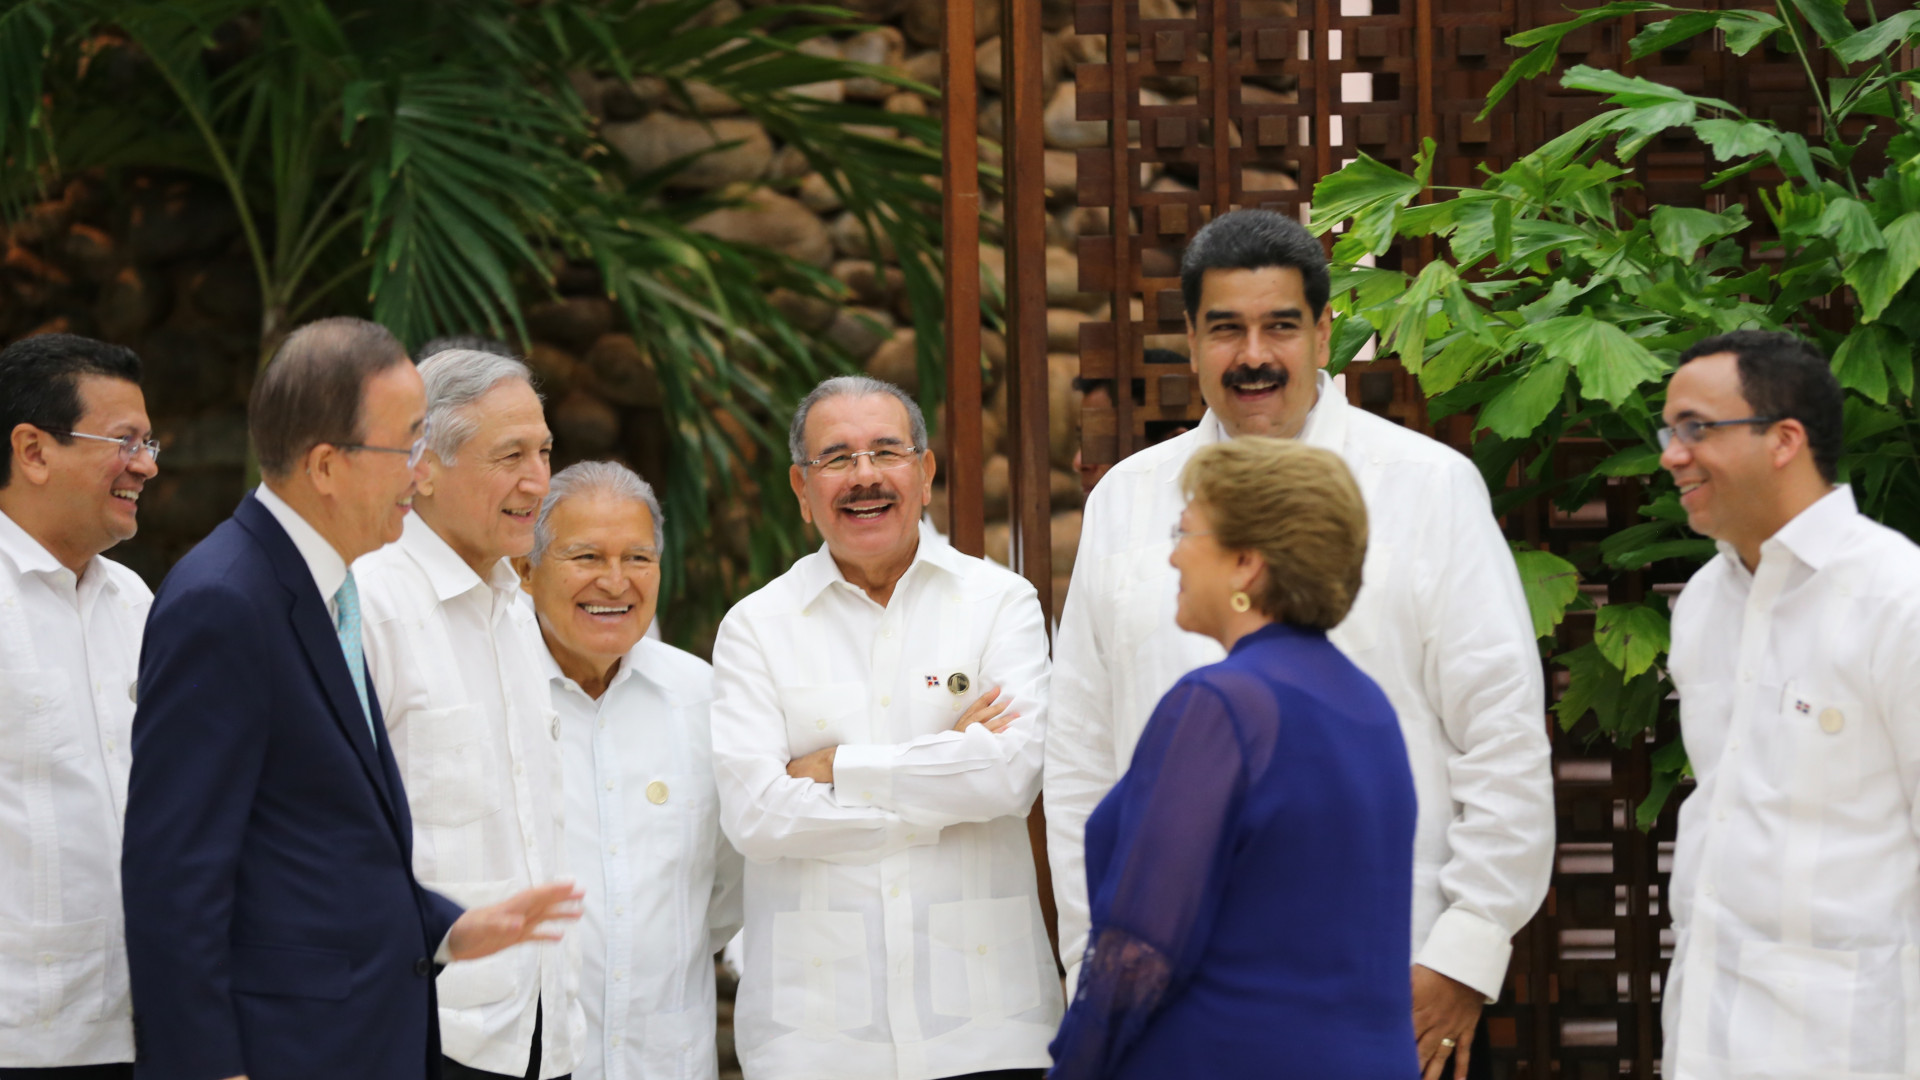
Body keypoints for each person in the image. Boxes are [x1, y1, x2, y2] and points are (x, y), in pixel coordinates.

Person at [1046, 208, 1554, 1080]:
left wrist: (1464, 951)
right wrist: (1095, 970)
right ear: (1191, 342)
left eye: (1280, 326)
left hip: (1379, 984)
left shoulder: (1429, 487)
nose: (1255, 356)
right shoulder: (1125, 500)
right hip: (1162, 1008)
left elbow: (1501, 733)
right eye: (1225, 330)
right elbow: (1080, 757)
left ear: (1323, 334)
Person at [122, 317, 580, 1080]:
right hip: (287, 1045)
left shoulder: (324, 588)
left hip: (373, 1030)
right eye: (406, 447)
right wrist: (207, 1066)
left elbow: (324, 831)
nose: (417, 472)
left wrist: (448, 928)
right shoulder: (225, 599)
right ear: (327, 466)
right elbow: (175, 874)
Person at [710, 375, 1062, 1080]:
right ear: (802, 488)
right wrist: (947, 769)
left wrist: (836, 768)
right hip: (816, 1037)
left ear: (925, 473)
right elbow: (757, 817)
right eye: (836, 458)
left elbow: (1008, 777)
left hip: (988, 1026)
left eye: (886, 451)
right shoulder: (755, 628)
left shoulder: (1001, 603)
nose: (863, 476)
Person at [1049, 437, 1417, 1078]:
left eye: (1186, 533)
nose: (1173, 555)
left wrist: (1075, 1065)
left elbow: (1141, 946)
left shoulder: (1219, 705)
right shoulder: (1368, 704)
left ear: (1246, 563)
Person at [1658, 330, 1920, 1078]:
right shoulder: (1704, 601)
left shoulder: (1897, 597)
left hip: (1854, 1043)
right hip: (1705, 1030)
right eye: (1668, 432)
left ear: (1784, 440)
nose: (1672, 456)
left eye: (1695, 429)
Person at [356, 349, 578, 1080]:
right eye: (510, 456)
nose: (537, 481)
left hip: (541, 1025)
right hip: (421, 1027)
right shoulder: (368, 604)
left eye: (544, 452)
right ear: (421, 466)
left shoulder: (513, 606)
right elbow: (324, 834)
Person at [513, 461, 744, 1080]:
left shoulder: (703, 698)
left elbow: (725, 891)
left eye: (638, 558)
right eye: (586, 556)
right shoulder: (494, 694)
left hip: (667, 1061)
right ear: (526, 571)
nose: (615, 582)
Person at [0, 334, 155, 1080]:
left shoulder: (136, 602)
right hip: (20, 1034)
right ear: (33, 451)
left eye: (150, 443)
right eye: (124, 442)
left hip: (142, 1023)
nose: (146, 465)